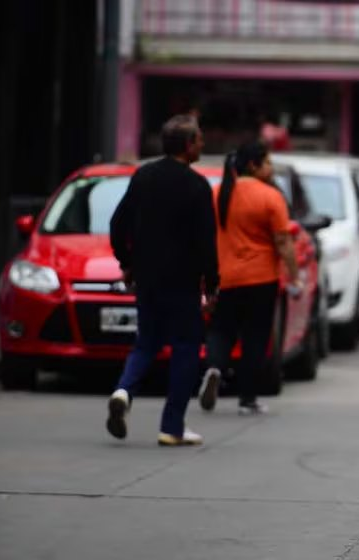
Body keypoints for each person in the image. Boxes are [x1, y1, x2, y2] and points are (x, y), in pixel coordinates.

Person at [107, 115, 218, 447]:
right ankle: (172, 426)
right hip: (183, 283)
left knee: (146, 342)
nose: (203, 144)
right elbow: (206, 242)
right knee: (185, 348)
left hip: (148, 279)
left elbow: (117, 224)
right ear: (187, 146)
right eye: (199, 140)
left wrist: (127, 263)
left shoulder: (143, 176)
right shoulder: (197, 186)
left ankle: (124, 390)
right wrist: (211, 285)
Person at [198, 141, 302, 416]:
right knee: (254, 338)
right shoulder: (270, 196)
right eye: (267, 163)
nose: (270, 169)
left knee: (221, 330)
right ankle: (247, 398)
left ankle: (214, 369)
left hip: (225, 277)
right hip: (261, 279)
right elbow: (283, 241)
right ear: (253, 165)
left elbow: (206, 238)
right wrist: (294, 276)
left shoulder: (218, 193)